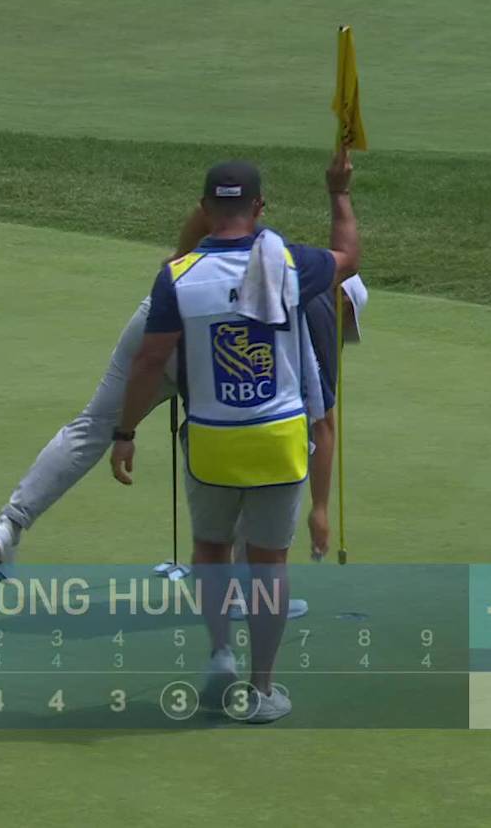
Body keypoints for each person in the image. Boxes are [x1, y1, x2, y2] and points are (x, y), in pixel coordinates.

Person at [109, 151, 360, 723]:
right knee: (269, 563)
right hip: (276, 440)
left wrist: (125, 432)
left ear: (203, 210)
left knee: (211, 549)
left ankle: (220, 652)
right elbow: (349, 258)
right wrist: (338, 192)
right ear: (260, 208)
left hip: (211, 441)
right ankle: (262, 689)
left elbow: (149, 361)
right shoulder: (290, 264)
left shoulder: (177, 276)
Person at [0, 217, 366, 574]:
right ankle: (243, 589)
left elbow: (205, 210)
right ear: (344, 302)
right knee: (256, 446)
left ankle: (8, 524)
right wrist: (319, 508)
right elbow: (323, 423)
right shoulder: (321, 305)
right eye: (348, 324)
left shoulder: (273, 249)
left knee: (93, 424)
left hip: (162, 313)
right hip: (206, 348)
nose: (342, 334)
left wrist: (179, 256)